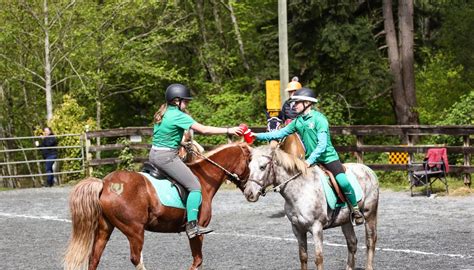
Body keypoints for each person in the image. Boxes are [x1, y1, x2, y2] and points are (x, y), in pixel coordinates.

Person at [252, 87, 365, 225]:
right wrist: (256, 135)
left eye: (297, 102)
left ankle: (355, 210)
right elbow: (278, 134)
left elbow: (322, 145)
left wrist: (309, 161)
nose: (294, 105)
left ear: (307, 103)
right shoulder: (298, 121)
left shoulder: (319, 119)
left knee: (343, 181)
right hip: (310, 161)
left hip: (328, 159)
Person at [150, 83, 243, 239]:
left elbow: (163, 136)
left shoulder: (163, 113)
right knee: (194, 186)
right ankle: (192, 225)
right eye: (185, 101)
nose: (187, 104)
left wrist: (182, 144)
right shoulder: (179, 115)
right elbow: (204, 130)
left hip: (153, 154)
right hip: (167, 157)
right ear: (176, 101)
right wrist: (228, 130)